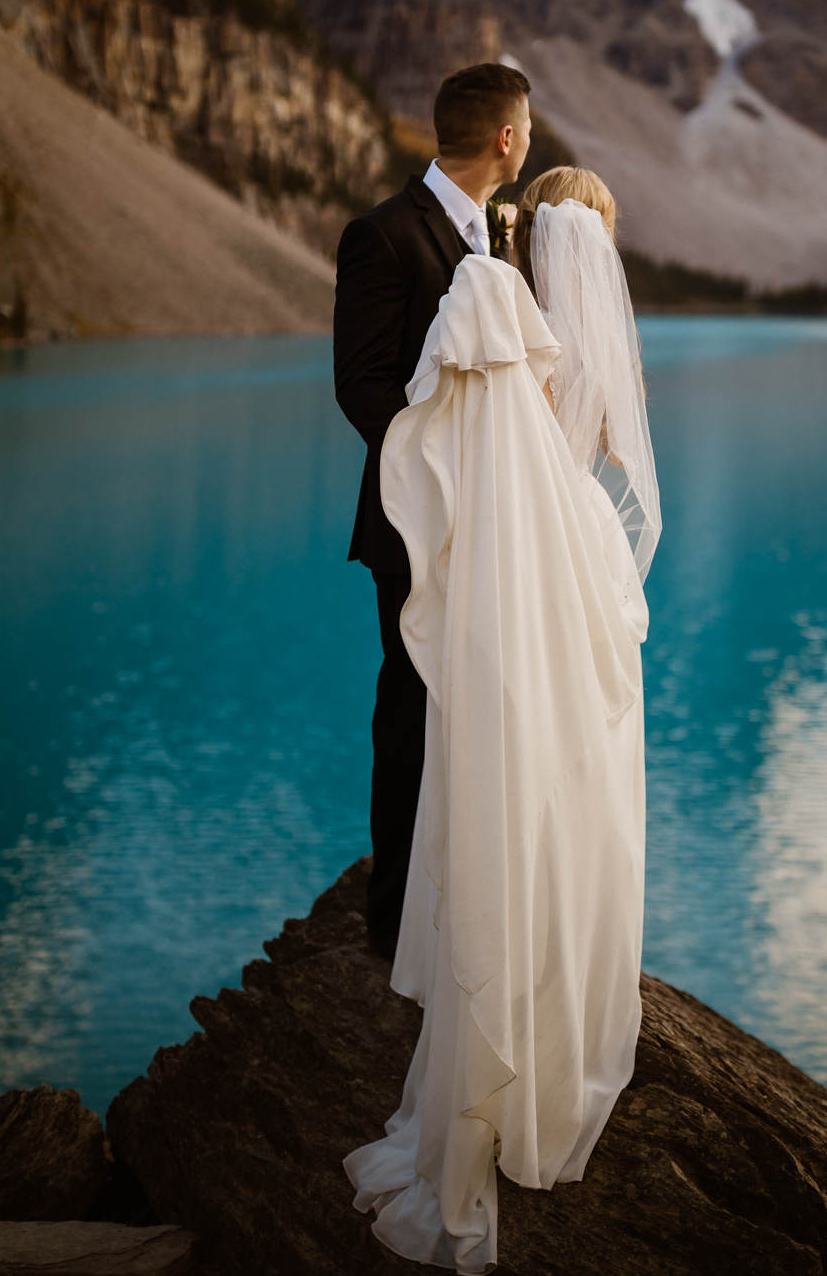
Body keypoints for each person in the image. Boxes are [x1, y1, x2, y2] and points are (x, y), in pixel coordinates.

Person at [342, 165, 661, 1272]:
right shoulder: (585, 350)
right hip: (582, 569)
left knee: (500, 769)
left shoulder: (505, 314)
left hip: (520, 578)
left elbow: (460, 436)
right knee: (576, 786)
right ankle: (559, 999)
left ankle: (489, 1016)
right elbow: (615, 454)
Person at [333, 63, 532, 959]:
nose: (528, 140)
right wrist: (446, 468)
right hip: (417, 522)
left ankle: (460, 894)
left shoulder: (497, 236)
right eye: (526, 127)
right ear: (505, 137)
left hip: (493, 522)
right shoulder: (382, 234)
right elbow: (361, 385)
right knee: (412, 705)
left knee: (481, 706)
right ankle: (393, 918)